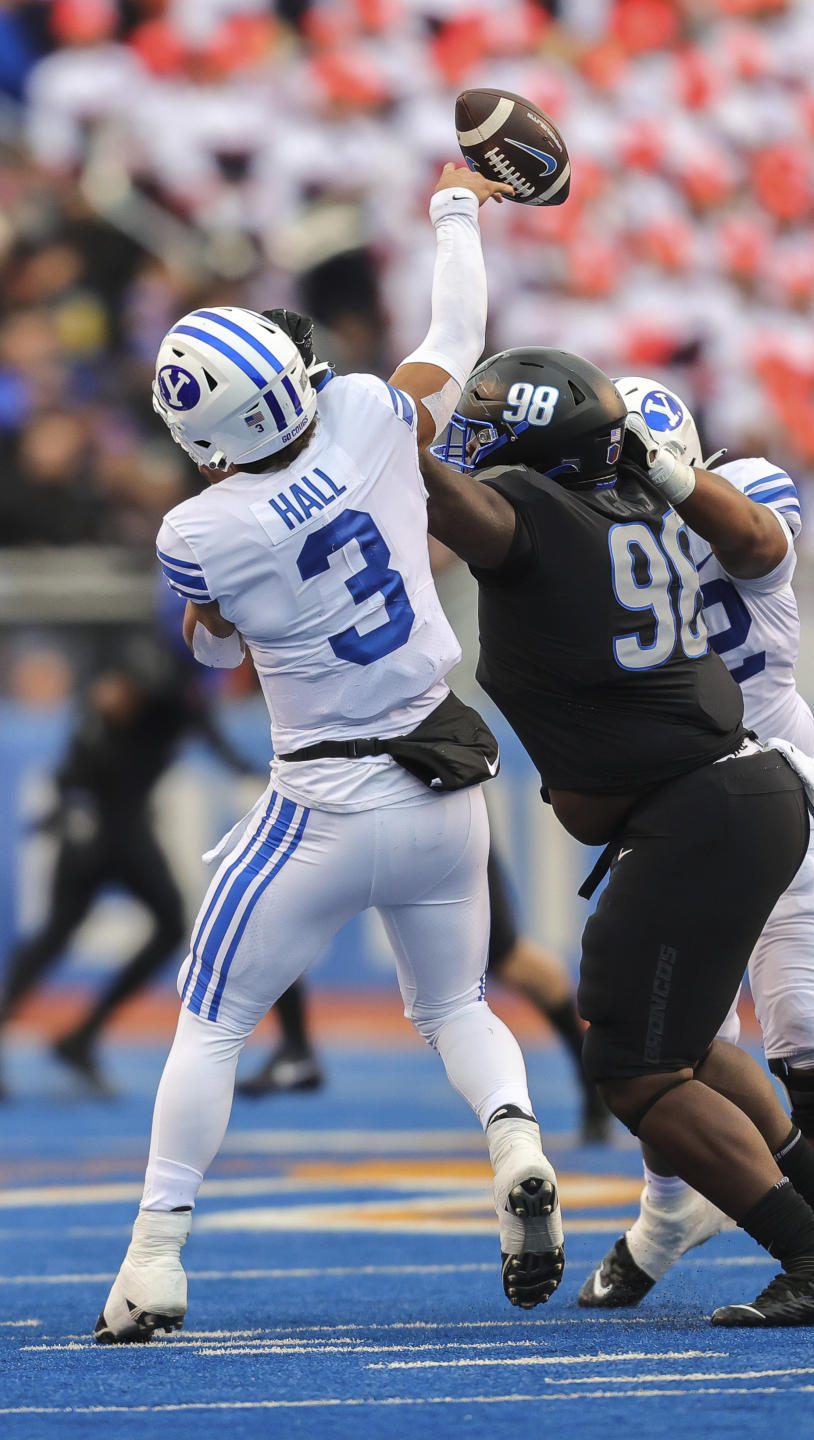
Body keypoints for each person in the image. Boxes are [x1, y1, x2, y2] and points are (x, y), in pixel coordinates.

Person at [94, 164, 565, 1344]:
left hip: (322, 798)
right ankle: (514, 1136)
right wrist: (458, 204)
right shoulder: (362, 411)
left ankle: (154, 1259)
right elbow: (458, 328)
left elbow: (209, 656)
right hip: (443, 773)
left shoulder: (196, 527)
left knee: (210, 1021)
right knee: (456, 1001)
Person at [421, 343, 814, 1327]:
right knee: (683, 1046)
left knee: (635, 1066)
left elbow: (454, 501)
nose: (471, 442)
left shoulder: (548, 518)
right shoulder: (628, 511)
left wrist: (353, 436)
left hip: (704, 809)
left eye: (491, 426)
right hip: (722, 797)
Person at [576, 376, 814, 1316]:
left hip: (785, 803)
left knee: (811, 1032)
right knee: (674, 1046)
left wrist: (659, 477)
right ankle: (668, 1212)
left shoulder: (741, 496)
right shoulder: (586, 552)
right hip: (679, 820)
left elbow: (754, 538)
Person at [0, 648, 253, 1099]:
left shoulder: (184, 690)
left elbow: (213, 742)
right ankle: (83, 1036)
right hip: (104, 827)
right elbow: (113, 705)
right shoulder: (163, 672)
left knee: (81, 932)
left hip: (112, 825)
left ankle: (85, 1035)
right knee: (64, 934)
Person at [236, 843, 612, 1143]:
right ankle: (296, 1048)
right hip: (347, 797)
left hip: (430, 800)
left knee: (502, 955)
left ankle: (589, 1074)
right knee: (272, 919)